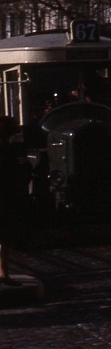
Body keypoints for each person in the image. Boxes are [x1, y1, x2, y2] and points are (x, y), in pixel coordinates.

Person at [0, 116, 29, 285]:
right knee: (4, 235)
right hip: (7, 196)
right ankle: (3, 272)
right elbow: (21, 173)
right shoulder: (12, 150)